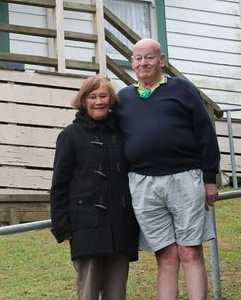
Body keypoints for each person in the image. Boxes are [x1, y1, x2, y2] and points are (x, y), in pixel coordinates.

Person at [116, 38, 220, 300]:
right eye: (138, 58)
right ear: (131, 63)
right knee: (166, 255)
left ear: (162, 60)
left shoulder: (182, 89)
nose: (143, 63)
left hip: (184, 179)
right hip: (142, 184)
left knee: (189, 251)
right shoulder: (124, 97)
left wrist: (210, 179)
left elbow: (206, 133)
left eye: (149, 57)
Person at [50, 76, 139, 300]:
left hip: (120, 227)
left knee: (117, 294)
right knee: (87, 294)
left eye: (103, 96)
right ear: (83, 100)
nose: (98, 101)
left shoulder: (121, 133)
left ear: (111, 100)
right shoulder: (70, 136)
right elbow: (58, 185)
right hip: (86, 227)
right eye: (92, 97)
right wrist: (63, 228)